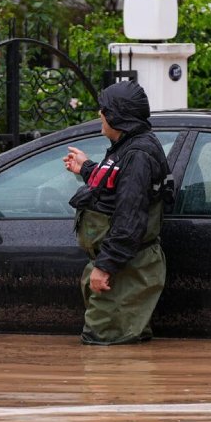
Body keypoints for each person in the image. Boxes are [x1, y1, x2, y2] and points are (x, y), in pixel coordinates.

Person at [62, 80, 172, 345]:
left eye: (104, 109)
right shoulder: (129, 147)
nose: (100, 114)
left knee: (104, 348)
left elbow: (129, 218)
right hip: (123, 264)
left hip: (126, 266)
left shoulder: (138, 154)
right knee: (120, 344)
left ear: (117, 116)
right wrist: (86, 168)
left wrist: (105, 265)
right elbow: (115, 184)